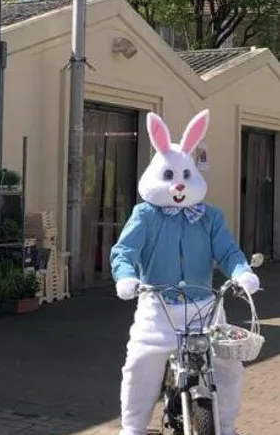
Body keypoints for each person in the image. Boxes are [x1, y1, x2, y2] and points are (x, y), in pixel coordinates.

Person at [110, 109, 260, 435]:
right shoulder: (145, 215)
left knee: (228, 365)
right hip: (158, 307)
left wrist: (241, 272)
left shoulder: (210, 217)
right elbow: (124, 251)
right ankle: (133, 428)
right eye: (169, 176)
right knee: (140, 363)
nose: (178, 184)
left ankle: (226, 426)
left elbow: (228, 252)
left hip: (206, 307)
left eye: (184, 176)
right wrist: (125, 276)